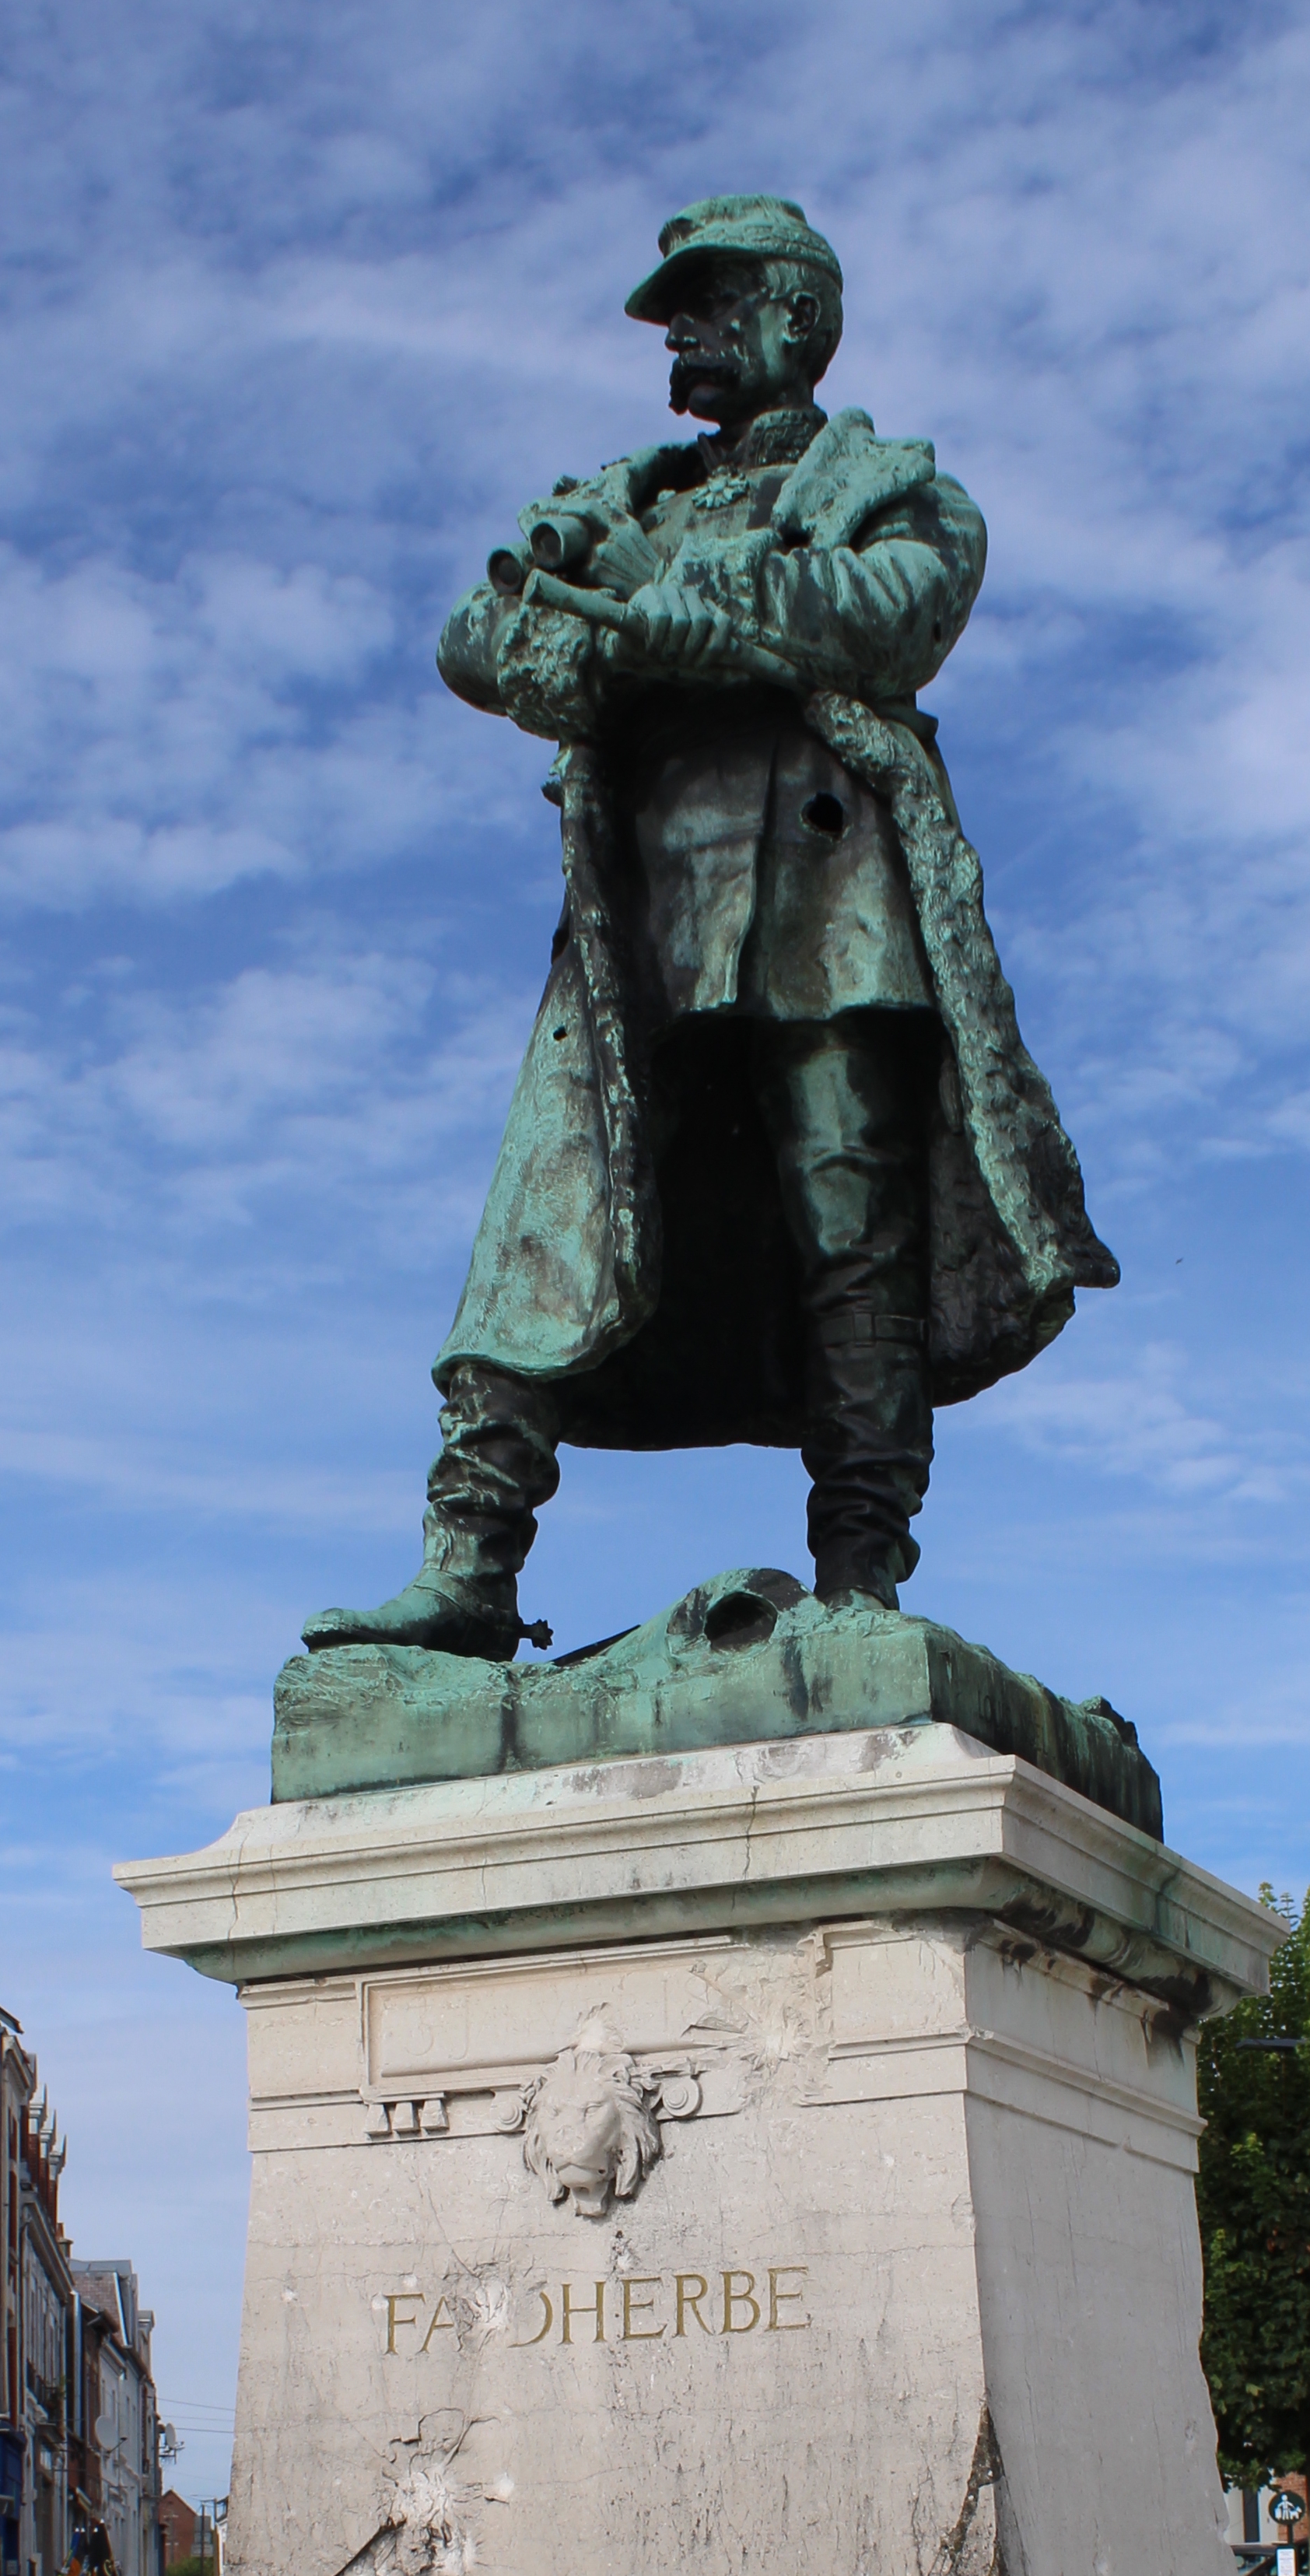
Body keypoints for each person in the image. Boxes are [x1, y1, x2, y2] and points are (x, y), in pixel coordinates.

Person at [304, 192, 1114, 1667]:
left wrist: (673, 609)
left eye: (710, 299)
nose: (678, 333)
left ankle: (861, 1577)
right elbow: (484, 638)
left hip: (833, 914)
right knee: (537, 1230)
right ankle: (470, 1567)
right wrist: (611, 618)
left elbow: (888, 617)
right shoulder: (626, 500)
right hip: (646, 923)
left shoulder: (899, 490)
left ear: (798, 318)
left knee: (852, 1237)